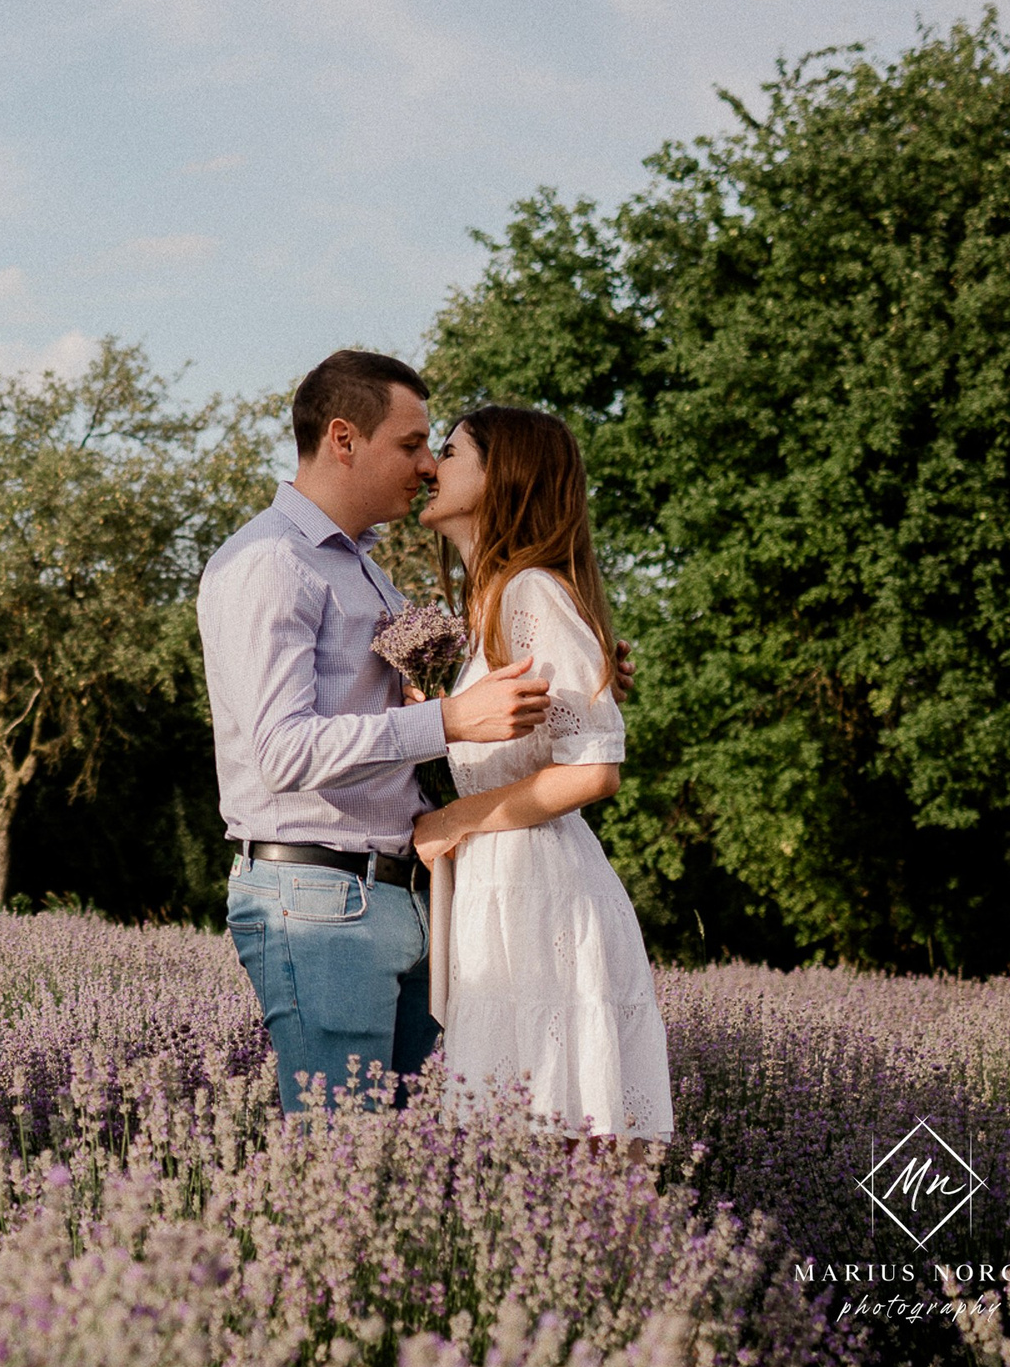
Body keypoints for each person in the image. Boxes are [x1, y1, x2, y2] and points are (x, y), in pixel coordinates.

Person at [197, 351, 553, 1114]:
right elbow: (283, 751)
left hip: (394, 891)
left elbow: (412, 720)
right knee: (346, 1161)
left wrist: (578, 683)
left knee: (410, 1167)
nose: (428, 465)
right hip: (318, 897)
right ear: (343, 439)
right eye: (412, 443)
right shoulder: (270, 564)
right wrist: (450, 717)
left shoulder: (361, 569)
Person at [412, 404, 675, 1154]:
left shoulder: (529, 592)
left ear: (504, 476)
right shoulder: (496, 598)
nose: (432, 464)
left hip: (537, 889)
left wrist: (457, 818)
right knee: (522, 1135)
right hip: (507, 882)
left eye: (451, 451)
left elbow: (594, 767)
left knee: (547, 1134)